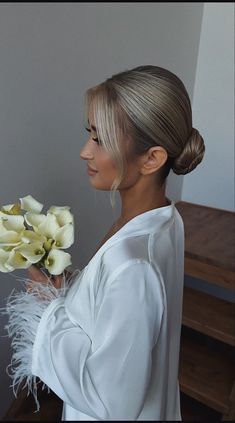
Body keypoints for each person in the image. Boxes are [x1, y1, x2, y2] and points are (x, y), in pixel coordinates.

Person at [3, 65, 205, 421]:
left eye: (99, 139)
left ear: (152, 158)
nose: (85, 151)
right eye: (90, 133)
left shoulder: (133, 263)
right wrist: (73, 293)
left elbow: (110, 400)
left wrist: (47, 307)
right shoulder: (164, 219)